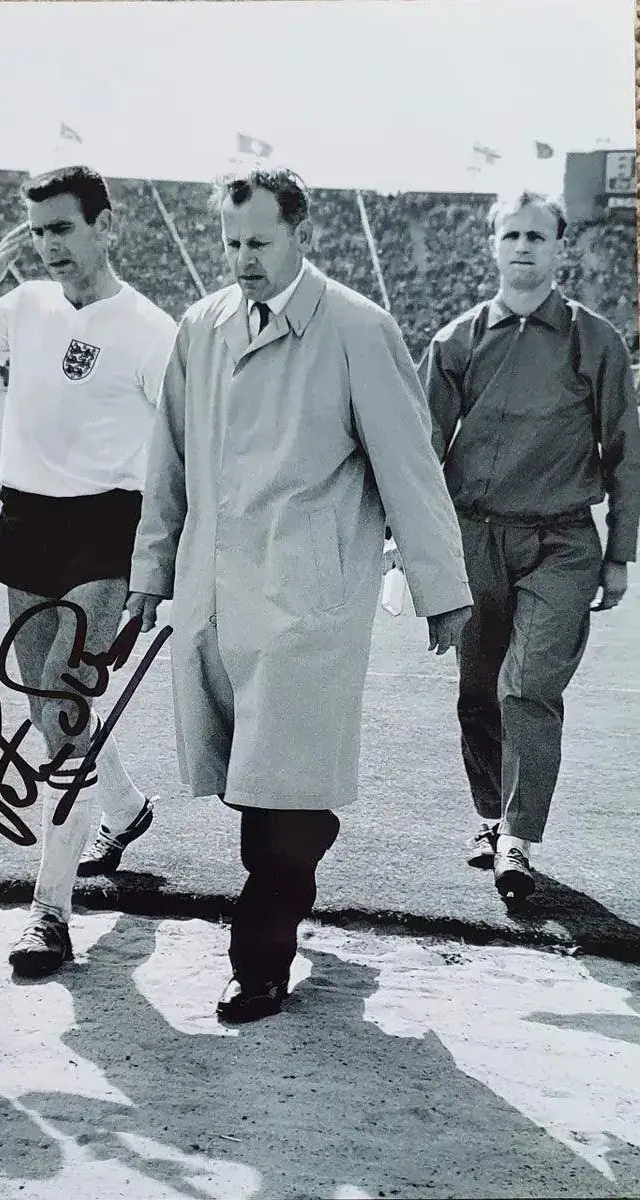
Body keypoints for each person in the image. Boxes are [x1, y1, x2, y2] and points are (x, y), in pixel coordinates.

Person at [127, 167, 473, 1024]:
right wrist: (149, 571)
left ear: (301, 235)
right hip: (215, 590)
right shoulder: (199, 329)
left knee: (277, 787)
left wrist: (442, 590)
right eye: (232, 243)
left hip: (307, 599)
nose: (243, 260)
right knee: (256, 783)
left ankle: (260, 961)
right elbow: (165, 464)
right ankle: (305, 843)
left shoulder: (357, 328)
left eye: (260, 242)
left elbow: (409, 468)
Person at [0, 165, 176, 978]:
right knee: (47, 702)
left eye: (62, 229)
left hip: (108, 524)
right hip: (28, 519)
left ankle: (49, 911)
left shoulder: (147, 327)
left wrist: (160, 560)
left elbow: (182, 448)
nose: (48, 246)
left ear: (106, 226)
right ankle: (125, 807)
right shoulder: (23, 305)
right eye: (36, 232)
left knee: (63, 695)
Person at [419, 190, 640, 903]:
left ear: (558, 249)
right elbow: (422, 451)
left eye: (535, 236)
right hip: (473, 537)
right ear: (491, 245)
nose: (522, 246)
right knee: (477, 693)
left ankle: (517, 839)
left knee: (527, 687)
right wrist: (413, 549)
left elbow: (625, 450)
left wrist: (618, 552)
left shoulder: (593, 340)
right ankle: (488, 818)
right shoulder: (455, 340)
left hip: (561, 541)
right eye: (509, 234)